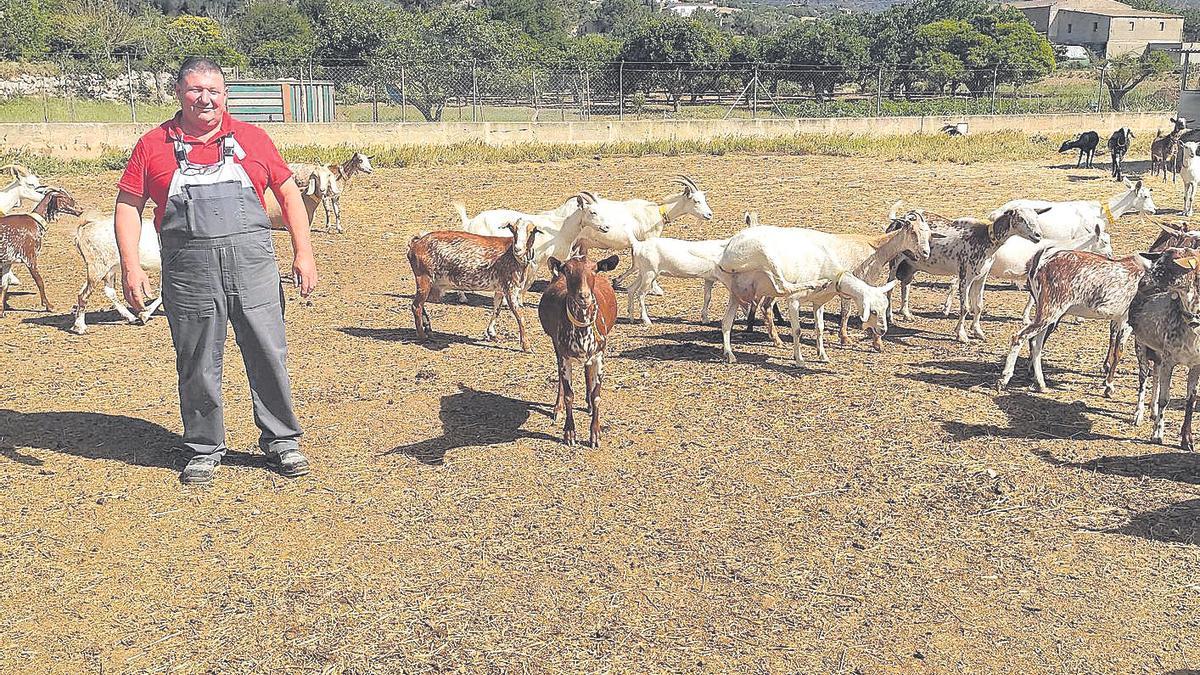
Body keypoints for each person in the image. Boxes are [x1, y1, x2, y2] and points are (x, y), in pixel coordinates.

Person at [115, 56, 318, 485]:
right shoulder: (153, 145)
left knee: (268, 353)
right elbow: (129, 205)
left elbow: (288, 193)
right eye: (195, 89)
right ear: (178, 93)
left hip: (253, 266)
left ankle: (283, 441)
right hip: (189, 272)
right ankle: (204, 447)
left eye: (213, 90)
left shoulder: (253, 139)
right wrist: (131, 266)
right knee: (197, 360)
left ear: (225, 95)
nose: (204, 99)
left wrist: (304, 253)